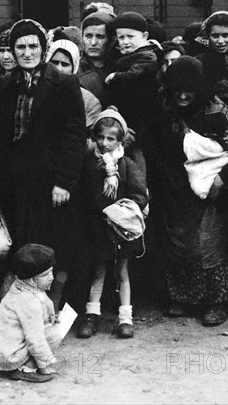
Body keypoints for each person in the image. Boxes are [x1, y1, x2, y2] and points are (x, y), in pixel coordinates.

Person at [143, 56, 228, 326]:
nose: (182, 95)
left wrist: (221, 180)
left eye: (188, 90)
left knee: (206, 245)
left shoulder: (216, 114)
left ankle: (216, 301)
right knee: (176, 243)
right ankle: (182, 298)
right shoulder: (162, 108)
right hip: (172, 187)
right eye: (177, 89)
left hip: (207, 191)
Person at [0, 19, 86, 313]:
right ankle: (23, 310)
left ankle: (51, 308)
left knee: (54, 244)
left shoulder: (64, 83)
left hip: (51, 180)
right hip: (18, 182)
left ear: (44, 49)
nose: (27, 52)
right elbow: (0, 136)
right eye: (21, 46)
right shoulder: (6, 83)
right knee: (23, 244)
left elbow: (74, 134)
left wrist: (64, 182)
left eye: (34, 46)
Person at [76, 108, 149, 339]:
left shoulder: (126, 164)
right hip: (96, 227)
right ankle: (91, 315)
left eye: (111, 139)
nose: (105, 143)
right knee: (98, 270)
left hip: (120, 229)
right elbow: (83, 193)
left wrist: (124, 210)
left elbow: (140, 195)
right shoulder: (90, 163)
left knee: (122, 272)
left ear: (120, 140)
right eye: (101, 137)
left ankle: (125, 318)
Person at [0, 243, 62, 383]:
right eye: (45, 275)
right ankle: (26, 368)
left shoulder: (20, 286)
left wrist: (49, 307)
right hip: (9, 358)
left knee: (47, 327)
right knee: (54, 334)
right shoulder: (29, 302)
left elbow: (41, 296)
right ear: (31, 279)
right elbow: (35, 339)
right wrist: (46, 365)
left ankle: (22, 363)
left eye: (51, 271)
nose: (51, 277)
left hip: (1, 354)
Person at [105, 11, 161, 172]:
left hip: (142, 122)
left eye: (130, 37)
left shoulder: (147, 55)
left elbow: (135, 74)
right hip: (129, 120)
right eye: (121, 38)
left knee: (139, 162)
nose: (125, 42)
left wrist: (116, 76)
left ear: (144, 36)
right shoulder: (127, 56)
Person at [46, 38, 102, 130]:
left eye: (65, 64)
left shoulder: (89, 101)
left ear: (74, 68)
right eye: (54, 63)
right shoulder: (36, 90)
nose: (58, 69)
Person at [78, 11, 116, 103]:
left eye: (100, 37)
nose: (93, 43)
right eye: (88, 36)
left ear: (112, 40)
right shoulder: (74, 68)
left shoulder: (121, 68)